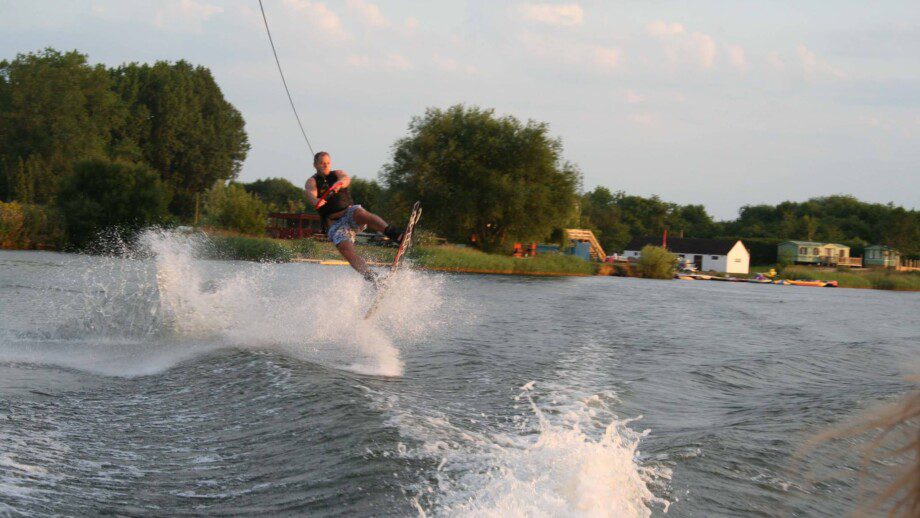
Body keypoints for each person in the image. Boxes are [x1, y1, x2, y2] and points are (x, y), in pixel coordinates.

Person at [305, 151, 403, 285]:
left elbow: (345, 179)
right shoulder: (312, 181)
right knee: (347, 251)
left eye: (328, 163)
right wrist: (316, 201)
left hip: (349, 213)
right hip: (335, 225)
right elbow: (311, 194)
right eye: (322, 163)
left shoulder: (337, 174)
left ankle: (395, 235)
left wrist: (336, 186)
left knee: (362, 214)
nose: (325, 166)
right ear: (315, 165)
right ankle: (373, 278)